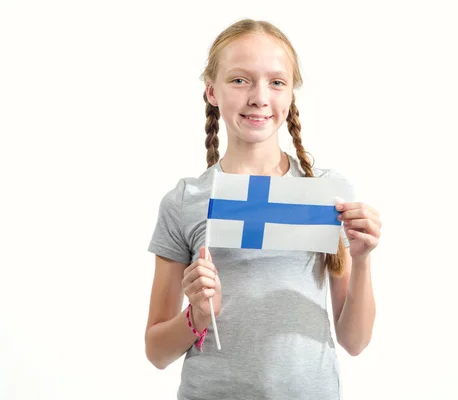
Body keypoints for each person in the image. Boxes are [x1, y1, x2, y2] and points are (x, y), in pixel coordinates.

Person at [144, 18, 382, 400]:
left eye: (276, 81)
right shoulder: (185, 200)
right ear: (212, 91)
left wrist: (363, 259)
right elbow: (156, 352)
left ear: (290, 94)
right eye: (240, 80)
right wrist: (198, 316)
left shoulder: (324, 194)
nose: (259, 97)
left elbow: (355, 341)